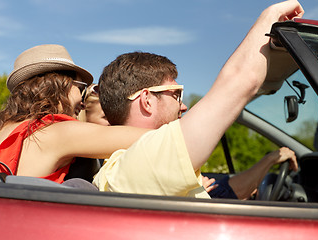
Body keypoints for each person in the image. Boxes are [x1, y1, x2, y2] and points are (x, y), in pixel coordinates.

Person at [93, 0, 303, 199]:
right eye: (176, 94)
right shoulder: (138, 164)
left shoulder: (130, 167)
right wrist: (271, 15)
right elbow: (242, 81)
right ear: (147, 100)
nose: (183, 106)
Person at [0, 44, 149, 184]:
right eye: (81, 88)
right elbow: (152, 138)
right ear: (62, 85)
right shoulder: (55, 132)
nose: (83, 101)